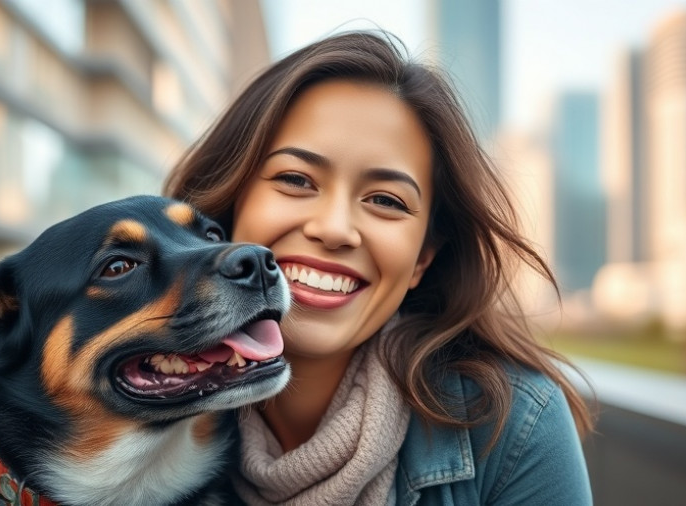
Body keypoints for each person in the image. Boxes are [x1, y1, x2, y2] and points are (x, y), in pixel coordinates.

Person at [164, 31, 593, 505]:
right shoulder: (127, 390)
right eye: (295, 179)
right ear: (230, 209)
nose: (334, 229)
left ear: (422, 259)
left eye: (386, 201)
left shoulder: (514, 429)